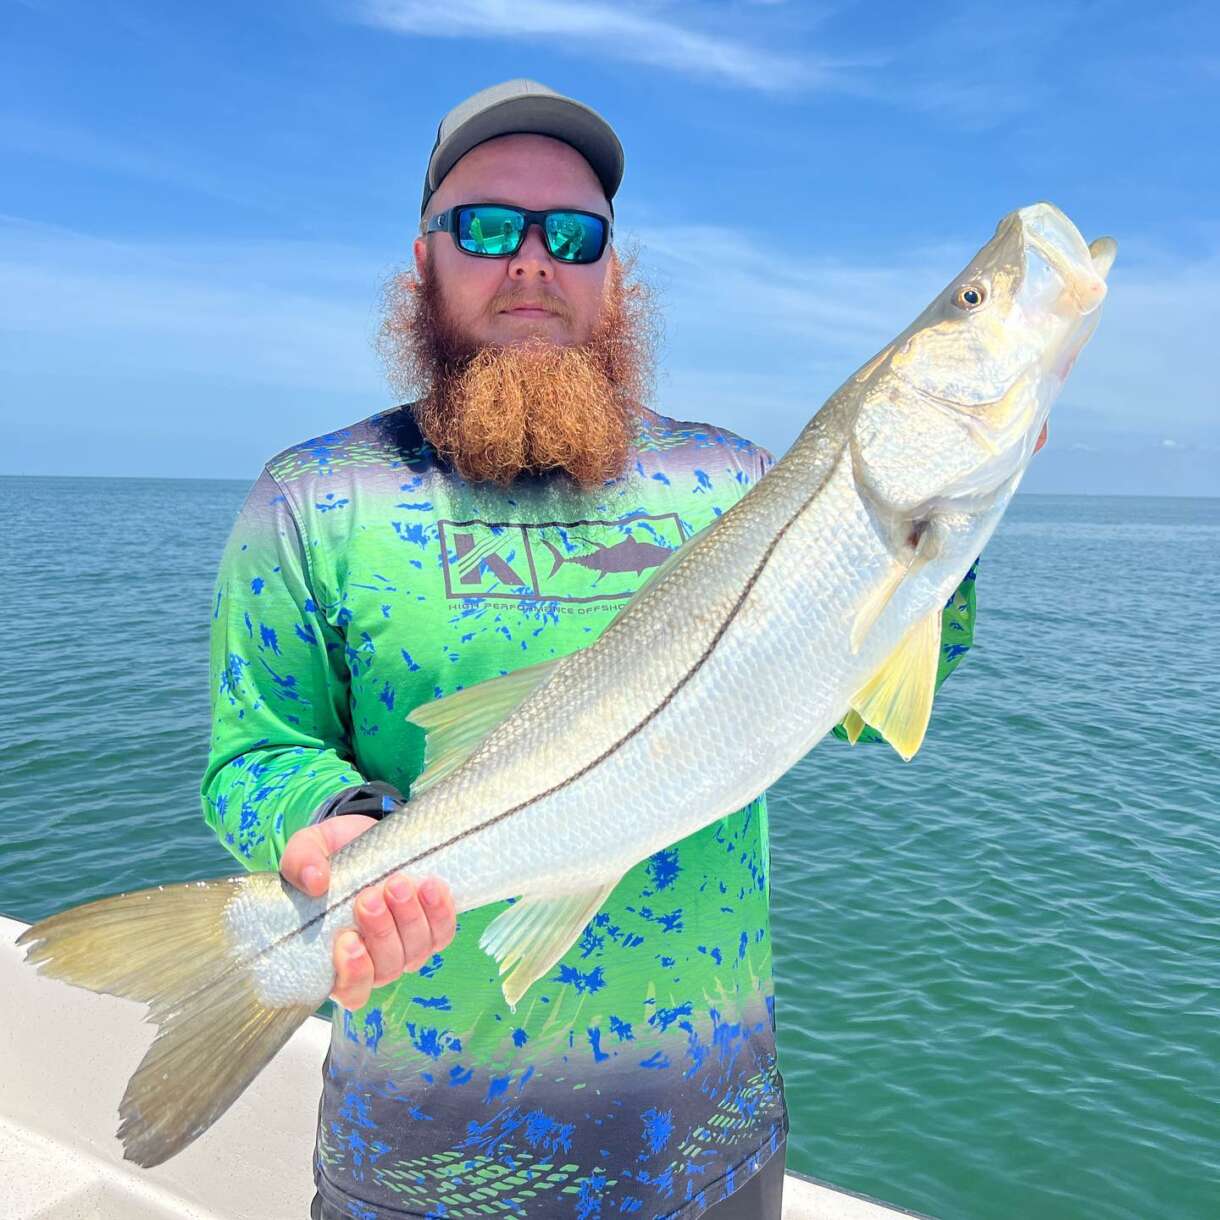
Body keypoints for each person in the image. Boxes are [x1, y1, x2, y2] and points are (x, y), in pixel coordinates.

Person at [202, 79, 978, 1220]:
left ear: (615, 273)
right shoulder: (315, 498)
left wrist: (946, 516)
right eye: (485, 226)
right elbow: (253, 753)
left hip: (710, 1155)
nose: (530, 262)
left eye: (572, 234)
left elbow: (866, 696)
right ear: (422, 259)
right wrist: (339, 824)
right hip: (418, 1168)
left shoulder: (736, 483)